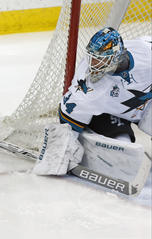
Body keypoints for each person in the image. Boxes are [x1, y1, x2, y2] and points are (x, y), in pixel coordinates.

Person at [33, 27, 151, 180]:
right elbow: (70, 115)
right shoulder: (86, 85)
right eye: (92, 57)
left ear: (117, 56)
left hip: (146, 106)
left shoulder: (146, 54)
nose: (93, 64)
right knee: (123, 147)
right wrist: (61, 148)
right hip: (110, 114)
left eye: (100, 59)